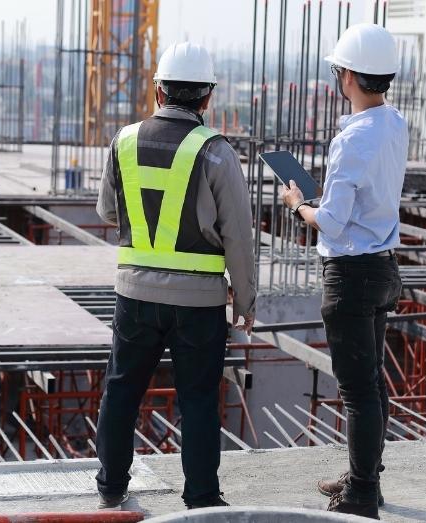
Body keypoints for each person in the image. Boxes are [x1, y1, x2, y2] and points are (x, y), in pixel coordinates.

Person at [94, 42, 256, 511]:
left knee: (122, 389)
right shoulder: (216, 152)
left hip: (135, 297)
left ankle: (110, 486)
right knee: (200, 400)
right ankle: (202, 498)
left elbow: (108, 210)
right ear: (207, 98)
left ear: (158, 91)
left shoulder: (123, 141)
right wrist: (245, 303)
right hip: (200, 304)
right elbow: (239, 239)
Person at [281, 23, 407, 519]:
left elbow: (330, 223)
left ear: (348, 75)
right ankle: (363, 481)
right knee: (372, 383)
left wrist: (297, 204)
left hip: (351, 273)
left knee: (358, 391)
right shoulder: (394, 123)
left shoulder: (351, 139)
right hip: (383, 267)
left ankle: (359, 497)